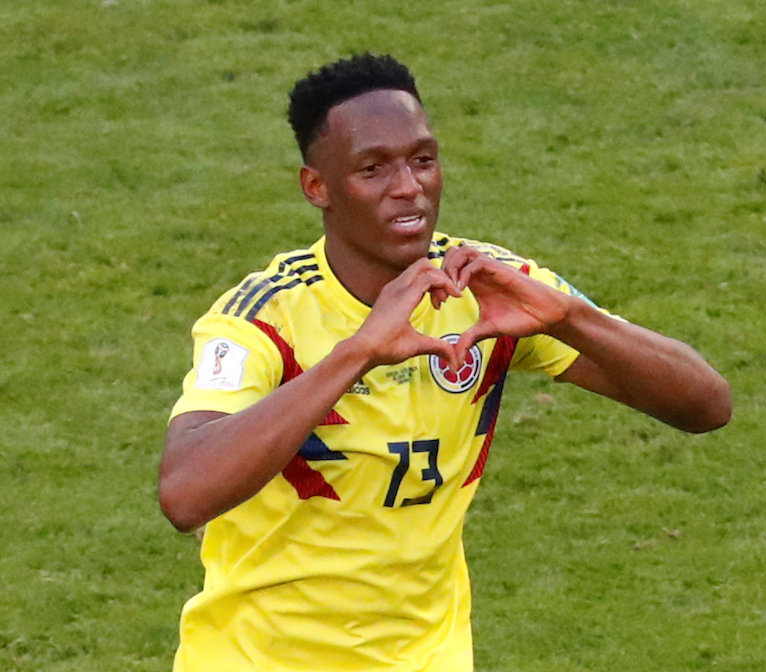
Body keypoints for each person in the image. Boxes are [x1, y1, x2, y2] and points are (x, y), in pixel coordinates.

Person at [158, 52, 731, 672]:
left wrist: (570, 318)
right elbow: (186, 493)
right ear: (316, 187)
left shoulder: (487, 285)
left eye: (422, 160)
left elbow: (706, 405)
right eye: (372, 169)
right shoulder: (263, 315)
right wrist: (358, 352)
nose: (409, 187)